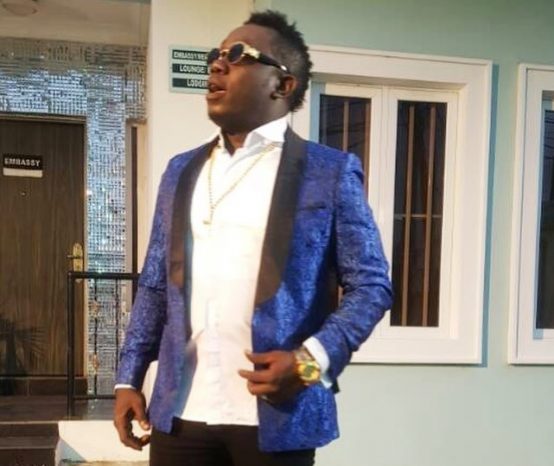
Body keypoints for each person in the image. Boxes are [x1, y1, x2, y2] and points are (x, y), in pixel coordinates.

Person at [113, 10, 392, 466]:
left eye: (239, 55)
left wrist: (308, 363)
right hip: (181, 411)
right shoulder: (181, 170)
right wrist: (128, 378)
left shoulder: (329, 172)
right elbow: (156, 284)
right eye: (217, 54)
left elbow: (372, 286)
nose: (217, 64)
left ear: (283, 84)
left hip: (276, 418)